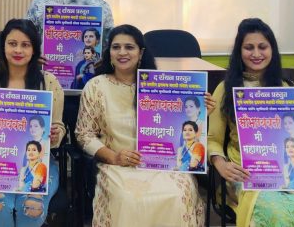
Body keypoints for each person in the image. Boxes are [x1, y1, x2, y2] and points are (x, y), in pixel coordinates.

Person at [207, 18, 294, 227]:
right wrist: (220, 164)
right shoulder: (226, 89)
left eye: (263, 47)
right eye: (249, 47)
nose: (256, 54)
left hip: (288, 171)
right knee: (276, 214)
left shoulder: (287, 88)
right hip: (245, 172)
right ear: (239, 51)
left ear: (272, 50)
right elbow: (212, 139)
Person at [75, 24, 208, 227]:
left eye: (129, 47)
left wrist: (204, 112)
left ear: (141, 53)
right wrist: (114, 157)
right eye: (116, 47)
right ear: (109, 52)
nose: (122, 52)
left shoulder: (163, 85)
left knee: (177, 195)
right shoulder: (96, 86)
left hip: (165, 164)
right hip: (118, 165)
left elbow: (183, 127)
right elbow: (84, 135)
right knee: (128, 199)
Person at [0, 19, 66, 227]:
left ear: (34, 49)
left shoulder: (49, 82)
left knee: (31, 208)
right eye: (12, 44)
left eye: (25, 45)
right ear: (3, 46)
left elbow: (58, 125)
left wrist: (56, 134)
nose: (18, 50)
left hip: (39, 165)